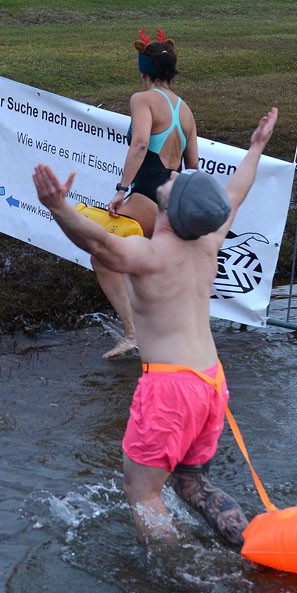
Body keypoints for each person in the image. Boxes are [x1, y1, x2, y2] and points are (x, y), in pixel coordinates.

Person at [32, 108, 278, 547]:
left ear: (172, 208)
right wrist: (256, 147)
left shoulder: (150, 255)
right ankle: (249, 550)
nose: (173, 175)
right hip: (211, 382)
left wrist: (57, 206)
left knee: (142, 493)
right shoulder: (209, 241)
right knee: (192, 484)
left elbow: (97, 242)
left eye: (176, 182)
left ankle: (181, 576)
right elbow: (235, 193)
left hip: (170, 388)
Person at [97, 31, 200, 359]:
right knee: (140, 266)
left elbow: (141, 144)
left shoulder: (142, 100)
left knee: (102, 255)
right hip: (171, 202)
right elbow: (193, 167)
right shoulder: (186, 110)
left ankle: (132, 334)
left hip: (145, 196)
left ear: (144, 71)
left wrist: (121, 190)